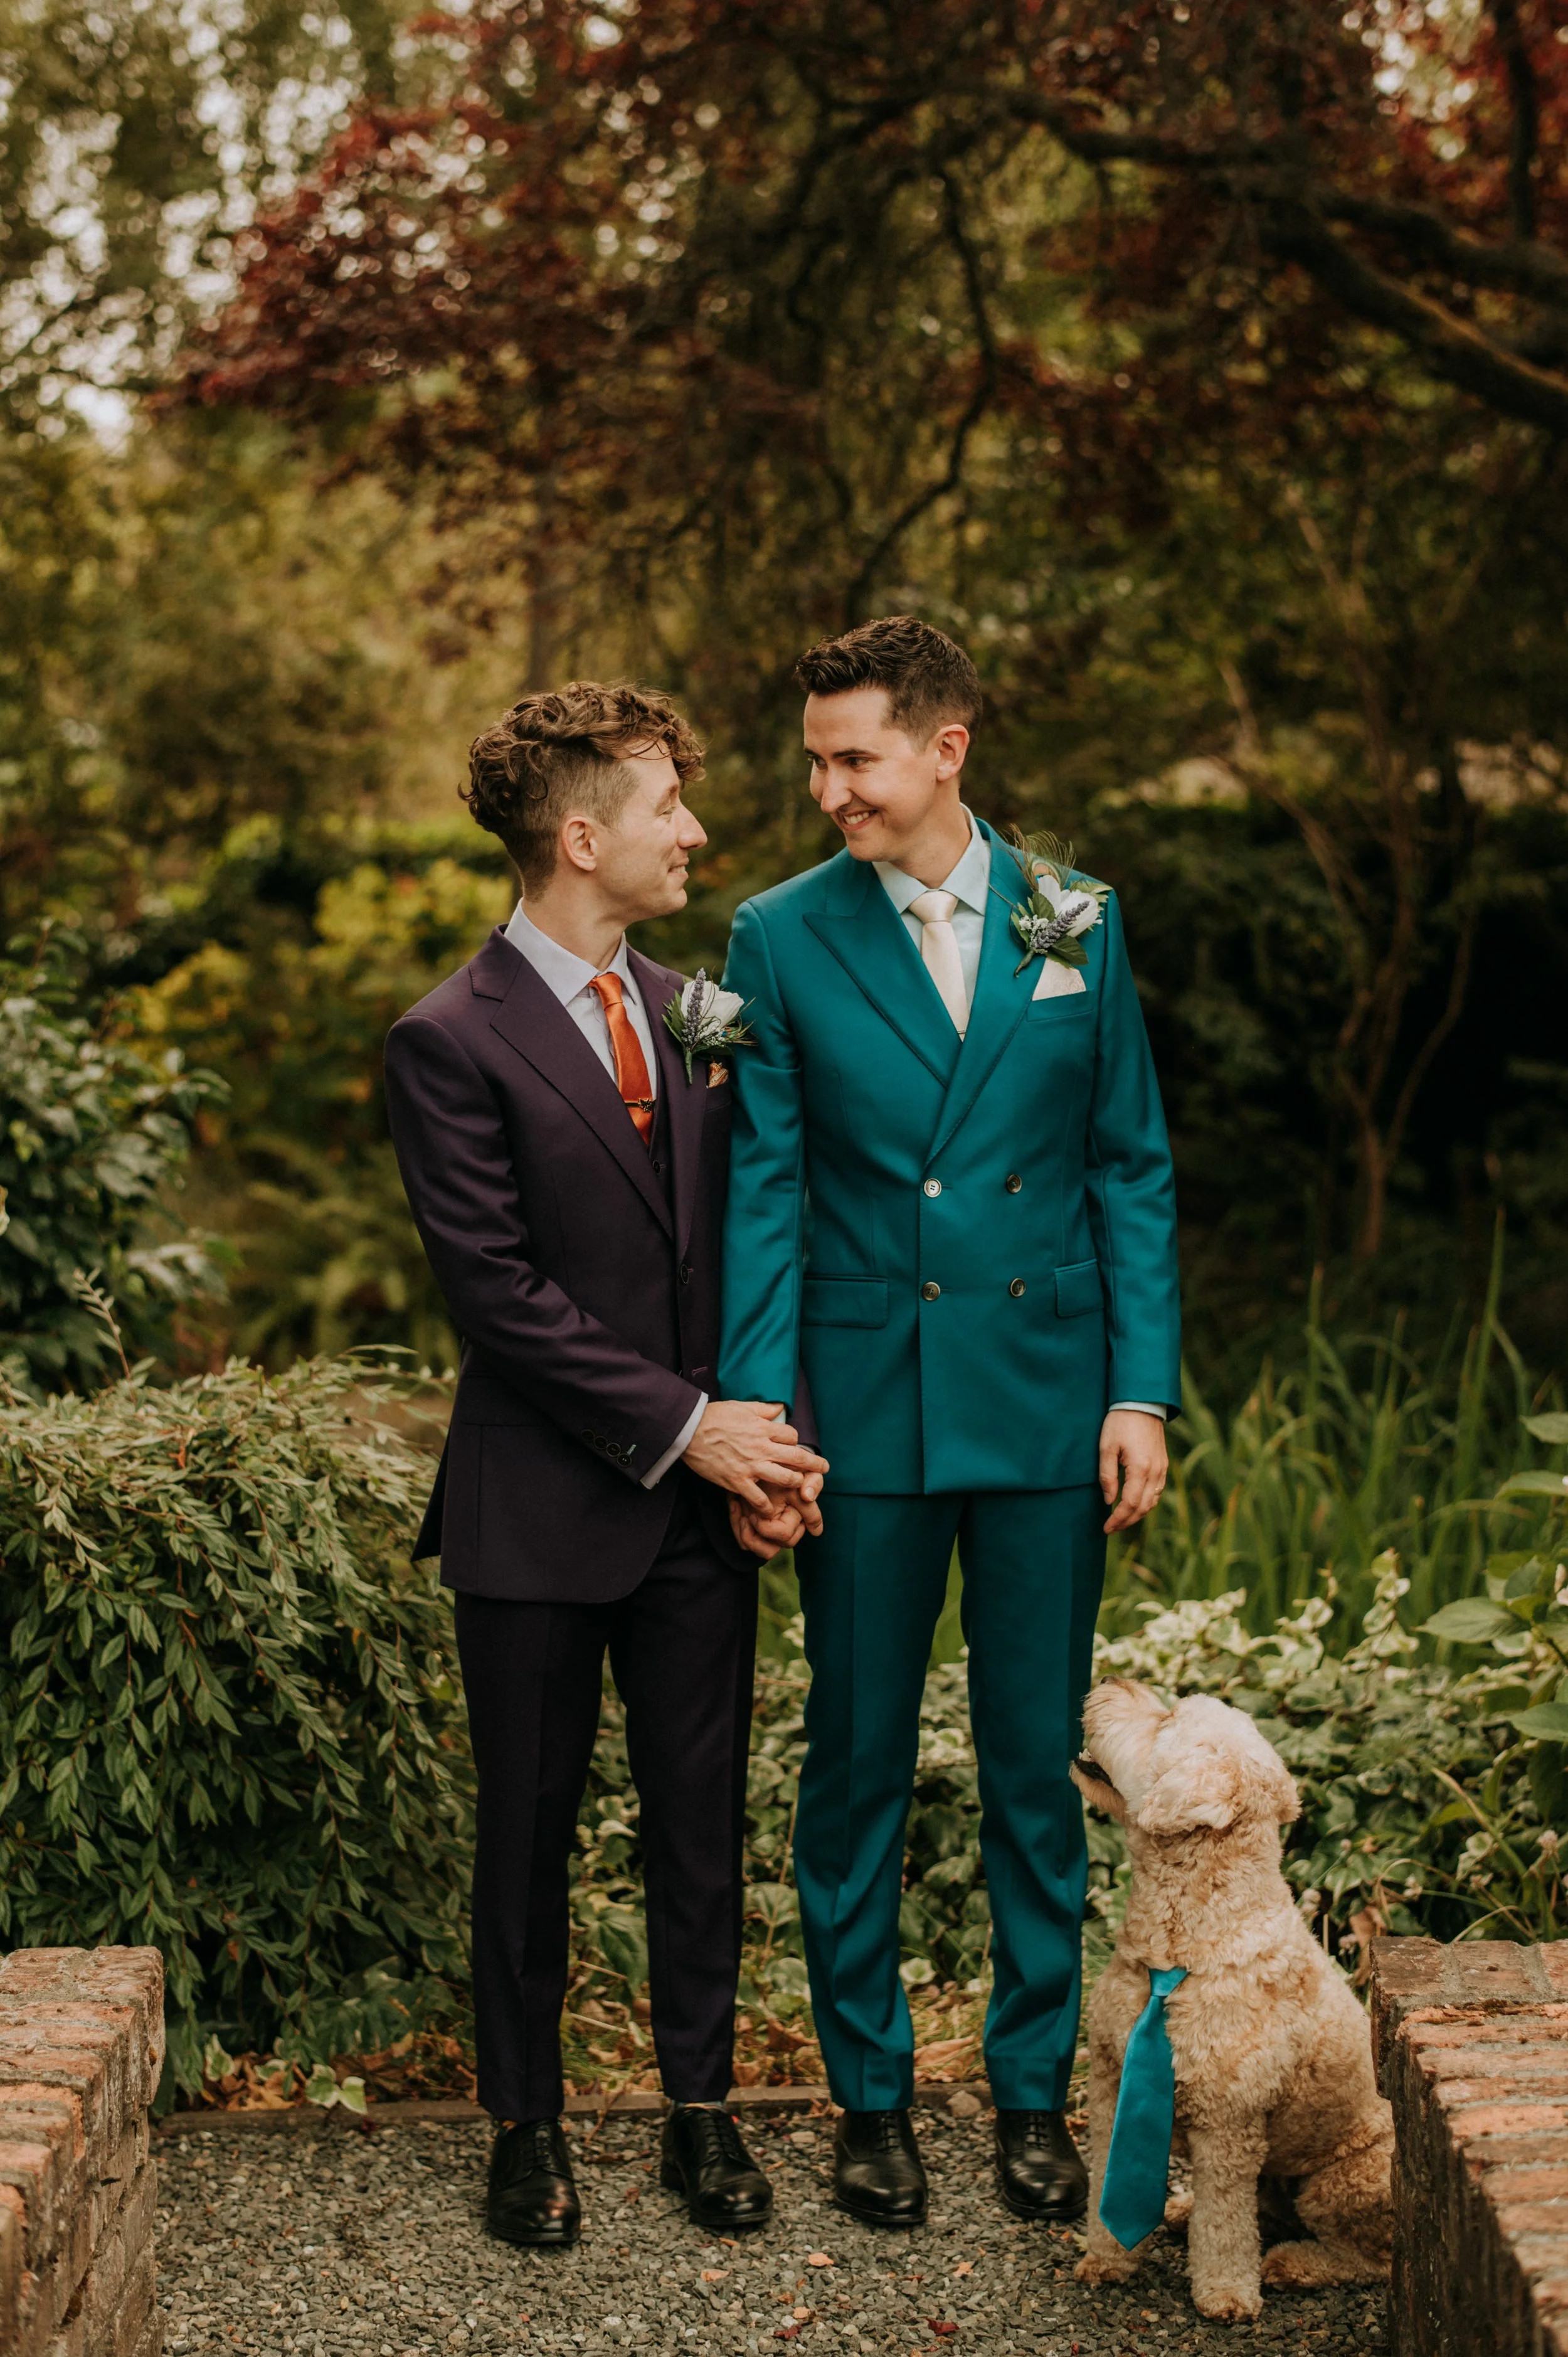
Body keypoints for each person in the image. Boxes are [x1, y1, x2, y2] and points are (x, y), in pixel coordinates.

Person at [718, 617, 1180, 2229]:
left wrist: (1138, 1390)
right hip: (860, 1413)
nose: (831, 791)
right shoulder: (774, 935)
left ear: (944, 750)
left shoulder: (1072, 915)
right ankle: (865, 2101)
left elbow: (1124, 1157)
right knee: (851, 1765)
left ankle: (1029, 2092)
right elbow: (762, 1188)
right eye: (817, 763)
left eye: (854, 758)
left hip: (1051, 1404)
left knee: (1028, 1771)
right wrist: (760, 1416)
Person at [384, 681, 827, 2247]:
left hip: (702, 1515)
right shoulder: (447, 1040)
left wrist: (758, 1440)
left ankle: (700, 2116)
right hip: (539, 1509)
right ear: (583, 837)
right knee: (530, 1826)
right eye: (664, 808)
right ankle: (525, 2129)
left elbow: (750, 1237)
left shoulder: (699, 1011)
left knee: (698, 1820)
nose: (693, 831)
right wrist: (682, 1427)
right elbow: (498, 1295)